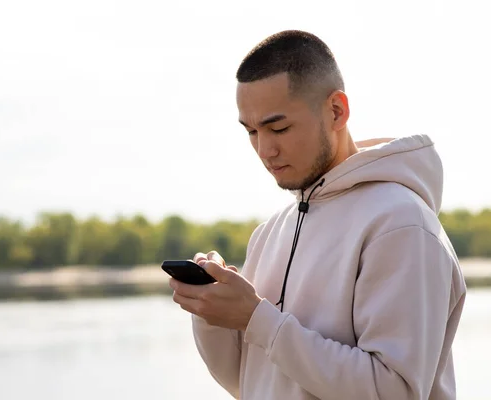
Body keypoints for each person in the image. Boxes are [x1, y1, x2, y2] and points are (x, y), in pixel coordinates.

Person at [168, 30, 467, 400]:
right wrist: (214, 313)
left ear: (336, 111)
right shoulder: (271, 232)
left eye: (279, 128)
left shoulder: (402, 225)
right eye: (251, 132)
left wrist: (257, 319)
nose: (265, 149)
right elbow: (248, 383)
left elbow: (396, 391)